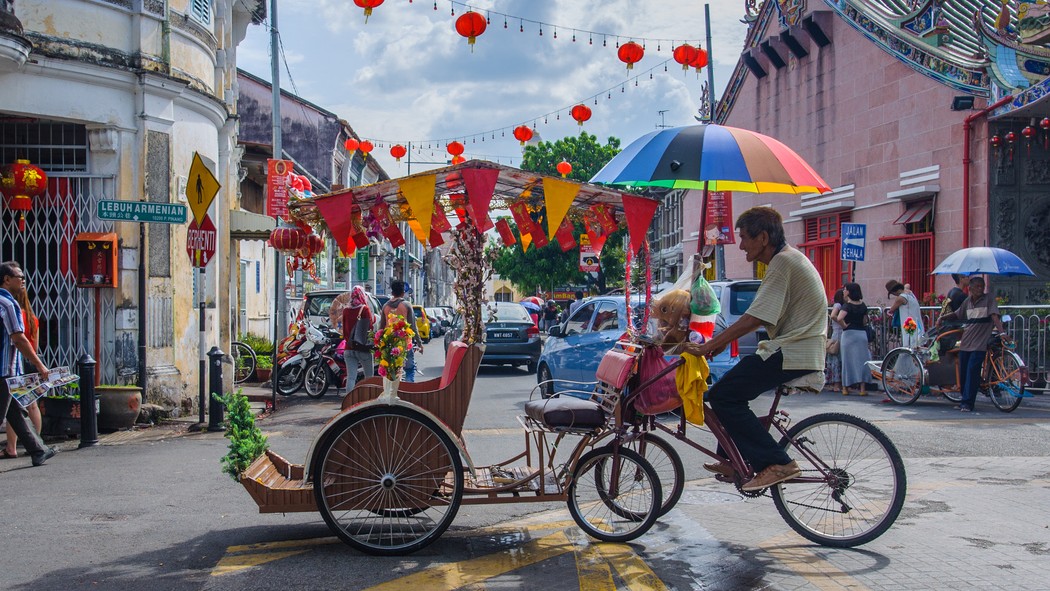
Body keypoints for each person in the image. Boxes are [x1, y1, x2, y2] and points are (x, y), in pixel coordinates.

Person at [683, 207, 827, 492]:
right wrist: (716, 344)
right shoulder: (786, 259)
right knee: (726, 391)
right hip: (793, 347)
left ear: (763, 238)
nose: (741, 245)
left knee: (724, 396)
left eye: (744, 238)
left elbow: (755, 317)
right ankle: (732, 458)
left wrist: (710, 345)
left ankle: (777, 463)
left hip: (794, 350)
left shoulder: (782, 263)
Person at [0, 262, 56, 466]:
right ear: (7, 279)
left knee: (16, 412)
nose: (23, 280)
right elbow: (18, 338)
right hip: (4, 370)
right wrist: (40, 365)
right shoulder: (8, 304)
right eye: (19, 277)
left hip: (8, 370)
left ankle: (38, 450)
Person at [936, 275, 1008, 412]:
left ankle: (968, 403)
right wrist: (942, 318)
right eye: (977, 286)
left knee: (972, 372)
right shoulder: (967, 301)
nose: (980, 289)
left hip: (979, 343)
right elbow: (957, 314)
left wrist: (1002, 332)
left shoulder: (989, 299)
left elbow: (994, 316)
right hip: (966, 341)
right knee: (963, 373)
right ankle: (964, 399)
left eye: (982, 286)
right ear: (970, 288)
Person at [4, 282, 42, 458]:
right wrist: (37, 363)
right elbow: (34, 346)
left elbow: (17, 339)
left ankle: (12, 447)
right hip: (28, 363)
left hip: (14, 364)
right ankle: (36, 445)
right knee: (31, 405)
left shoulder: (10, 312)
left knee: (14, 407)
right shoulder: (32, 319)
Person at [378, 280, 422, 382]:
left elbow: (381, 327)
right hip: (405, 342)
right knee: (409, 369)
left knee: (392, 371)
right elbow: (413, 327)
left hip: (389, 343)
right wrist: (419, 343)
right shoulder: (406, 305)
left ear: (392, 292)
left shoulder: (385, 306)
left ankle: (393, 389)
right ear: (403, 292)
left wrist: (379, 344)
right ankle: (408, 389)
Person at [835, 282, 873, 396]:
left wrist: (844, 326)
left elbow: (839, 318)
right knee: (862, 361)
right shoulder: (863, 305)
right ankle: (862, 388)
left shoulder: (847, 306)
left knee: (847, 361)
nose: (844, 291)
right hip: (861, 334)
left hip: (849, 334)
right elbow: (865, 321)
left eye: (845, 289)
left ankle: (845, 387)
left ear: (849, 292)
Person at [340, 286, 374, 392]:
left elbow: (344, 331)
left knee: (351, 377)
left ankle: (349, 400)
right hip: (363, 348)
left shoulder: (345, 310)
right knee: (369, 377)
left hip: (349, 348)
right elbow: (370, 328)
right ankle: (367, 398)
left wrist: (349, 341)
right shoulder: (365, 309)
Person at [886, 280, 924, 348]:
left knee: (909, 347)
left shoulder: (900, 298)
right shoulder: (909, 293)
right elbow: (907, 285)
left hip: (909, 325)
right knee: (917, 347)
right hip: (918, 324)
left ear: (893, 292)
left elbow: (891, 310)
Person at [825, 288, 845, 394]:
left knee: (837, 359)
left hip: (838, 333)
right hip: (838, 334)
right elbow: (833, 315)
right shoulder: (838, 305)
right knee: (837, 359)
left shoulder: (841, 306)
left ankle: (836, 383)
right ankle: (837, 384)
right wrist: (842, 323)